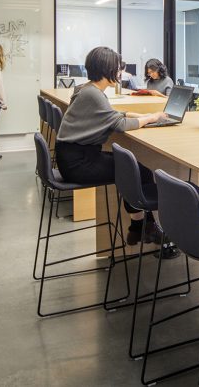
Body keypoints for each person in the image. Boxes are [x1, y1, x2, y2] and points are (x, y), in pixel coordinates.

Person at [55, 46, 170, 248]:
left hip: (74, 156)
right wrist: (152, 118)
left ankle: (139, 227)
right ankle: (145, 227)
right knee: (136, 171)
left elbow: (112, 115)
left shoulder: (87, 89)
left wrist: (143, 116)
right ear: (107, 69)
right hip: (78, 163)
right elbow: (120, 124)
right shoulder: (93, 95)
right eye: (118, 68)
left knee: (130, 166)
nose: (120, 71)